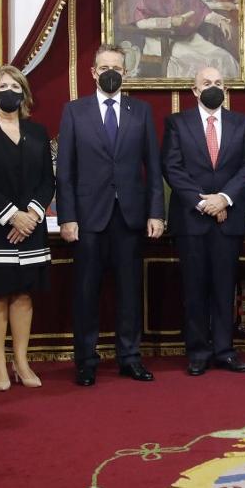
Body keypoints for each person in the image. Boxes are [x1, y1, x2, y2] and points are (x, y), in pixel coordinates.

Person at [57, 45, 165, 387]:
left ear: (126, 71)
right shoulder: (74, 112)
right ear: (93, 72)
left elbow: (153, 166)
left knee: (130, 292)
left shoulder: (142, 111)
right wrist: (67, 216)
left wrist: (156, 213)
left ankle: (129, 357)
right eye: (104, 66)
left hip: (130, 217)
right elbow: (66, 171)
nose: (111, 72)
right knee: (86, 293)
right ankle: (86, 361)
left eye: (116, 67)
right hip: (88, 218)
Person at [162, 65, 245, 375]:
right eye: (207, 82)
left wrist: (224, 198)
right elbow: (172, 167)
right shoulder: (177, 123)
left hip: (228, 218)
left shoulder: (242, 123)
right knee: (194, 287)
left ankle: (224, 350)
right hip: (191, 219)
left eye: (218, 82)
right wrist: (203, 202)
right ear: (194, 90)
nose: (213, 87)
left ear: (226, 89)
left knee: (224, 286)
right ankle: (198, 352)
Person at [0, 66, 55, 391]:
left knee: (22, 293)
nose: (9, 91)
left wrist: (31, 214)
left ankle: (21, 360)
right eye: (3, 86)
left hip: (31, 227)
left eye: (15, 85)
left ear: (24, 92)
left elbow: (48, 180)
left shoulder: (39, 132)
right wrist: (11, 215)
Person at [133, 0, 240, 79]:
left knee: (224, 57)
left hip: (188, 38)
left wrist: (219, 20)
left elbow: (200, 9)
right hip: (161, 40)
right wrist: (170, 22)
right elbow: (141, 22)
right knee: (198, 63)